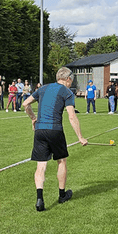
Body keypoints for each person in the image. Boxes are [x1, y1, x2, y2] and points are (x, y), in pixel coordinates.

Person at [23, 66, 88, 211]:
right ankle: (62, 195)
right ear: (68, 79)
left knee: (41, 165)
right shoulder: (67, 92)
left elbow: (25, 104)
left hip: (40, 130)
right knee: (61, 161)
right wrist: (80, 137)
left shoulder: (43, 88)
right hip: (55, 130)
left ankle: (40, 199)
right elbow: (72, 116)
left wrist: (33, 118)